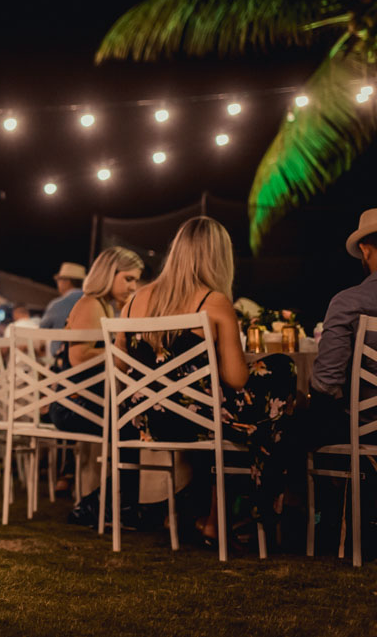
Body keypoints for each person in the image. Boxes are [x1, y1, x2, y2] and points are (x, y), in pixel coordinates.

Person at [114, 216, 297, 544]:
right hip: (196, 421)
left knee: (258, 414)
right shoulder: (213, 302)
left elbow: (116, 363)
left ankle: (210, 514)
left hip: (145, 421)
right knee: (280, 376)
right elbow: (236, 378)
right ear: (218, 257)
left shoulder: (133, 301)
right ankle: (246, 513)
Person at [46, 247, 142, 526]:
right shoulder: (91, 305)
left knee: (133, 423)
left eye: (136, 280)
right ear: (109, 274)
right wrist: (120, 349)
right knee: (134, 426)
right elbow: (78, 358)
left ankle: (112, 504)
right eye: (128, 279)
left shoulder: (103, 305)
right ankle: (102, 506)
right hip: (72, 405)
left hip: (79, 401)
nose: (133, 287)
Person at [308, 208, 377, 446]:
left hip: (367, 429)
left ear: (365, 249)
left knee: (291, 432)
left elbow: (326, 383)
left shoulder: (348, 303)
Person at [40, 261, 88, 333]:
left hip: (61, 343)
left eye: (59, 280)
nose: (58, 283)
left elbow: (42, 328)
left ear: (67, 281)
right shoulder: (93, 302)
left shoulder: (57, 304)